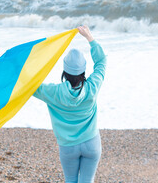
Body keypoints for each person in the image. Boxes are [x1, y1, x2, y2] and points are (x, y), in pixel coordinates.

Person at [33, 25, 107, 183]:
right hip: (91, 143)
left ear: (65, 72)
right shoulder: (92, 86)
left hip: (68, 147)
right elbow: (101, 62)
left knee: (71, 180)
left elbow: (30, 86)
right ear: (83, 71)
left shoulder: (53, 92)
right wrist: (90, 38)